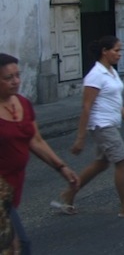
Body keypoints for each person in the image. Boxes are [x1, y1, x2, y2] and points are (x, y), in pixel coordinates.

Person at [57, 36, 124, 218]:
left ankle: (68, 194)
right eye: (116, 50)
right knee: (123, 162)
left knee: (101, 163)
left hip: (111, 123)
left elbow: (115, 101)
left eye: (120, 50)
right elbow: (86, 106)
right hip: (102, 124)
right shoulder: (96, 75)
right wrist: (80, 138)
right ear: (104, 52)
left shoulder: (111, 72)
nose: (119, 54)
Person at [0, 54, 80, 254]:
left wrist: (62, 167)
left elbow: (35, 140)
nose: (16, 81)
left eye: (17, 75)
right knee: (17, 245)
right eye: (8, 78)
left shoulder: (23, 104)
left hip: (13, 187)